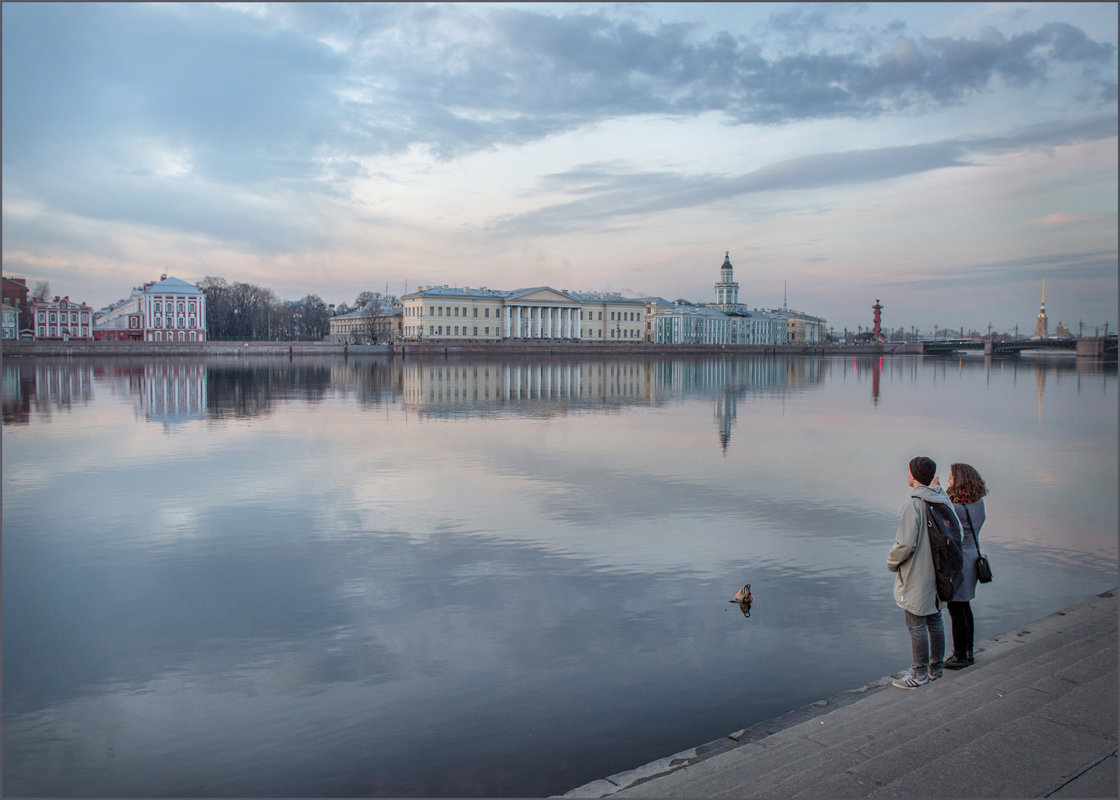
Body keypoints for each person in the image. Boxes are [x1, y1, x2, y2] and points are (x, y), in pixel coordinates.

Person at [886, 456, 959, 689]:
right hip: (939, 571)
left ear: (914, 475)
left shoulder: (914, 504)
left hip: (919, 573)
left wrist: (891, 563)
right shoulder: (941, 501)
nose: (907, 474)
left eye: (908, 470)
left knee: (915, 623)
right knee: (935, 618)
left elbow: (905, 544)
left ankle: (918, 675)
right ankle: (935, 669)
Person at [941, 463, 987, 669]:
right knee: (965, 607)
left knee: (956, 608)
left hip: (960, 561)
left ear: (958, 480)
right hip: (974, 556)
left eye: (951, 477)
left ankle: (959, 656)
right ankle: (968, 651)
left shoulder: (956, 508)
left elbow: (945, 527)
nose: (948, 480)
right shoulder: (978, 503)